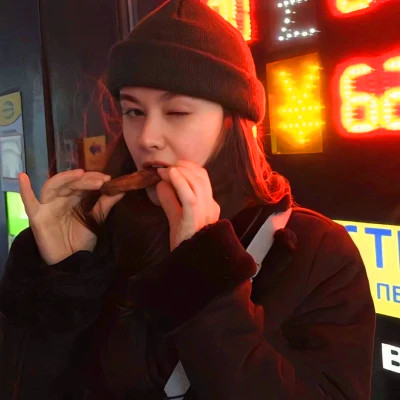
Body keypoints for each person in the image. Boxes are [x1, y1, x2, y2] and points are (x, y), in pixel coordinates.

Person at [0, 0, 375, 399]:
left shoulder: (315, 251)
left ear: (231, 122)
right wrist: (60, 277)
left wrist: (206, 271)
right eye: (133, 111)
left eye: (177, 112)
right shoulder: (96, 234)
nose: (147, 138)